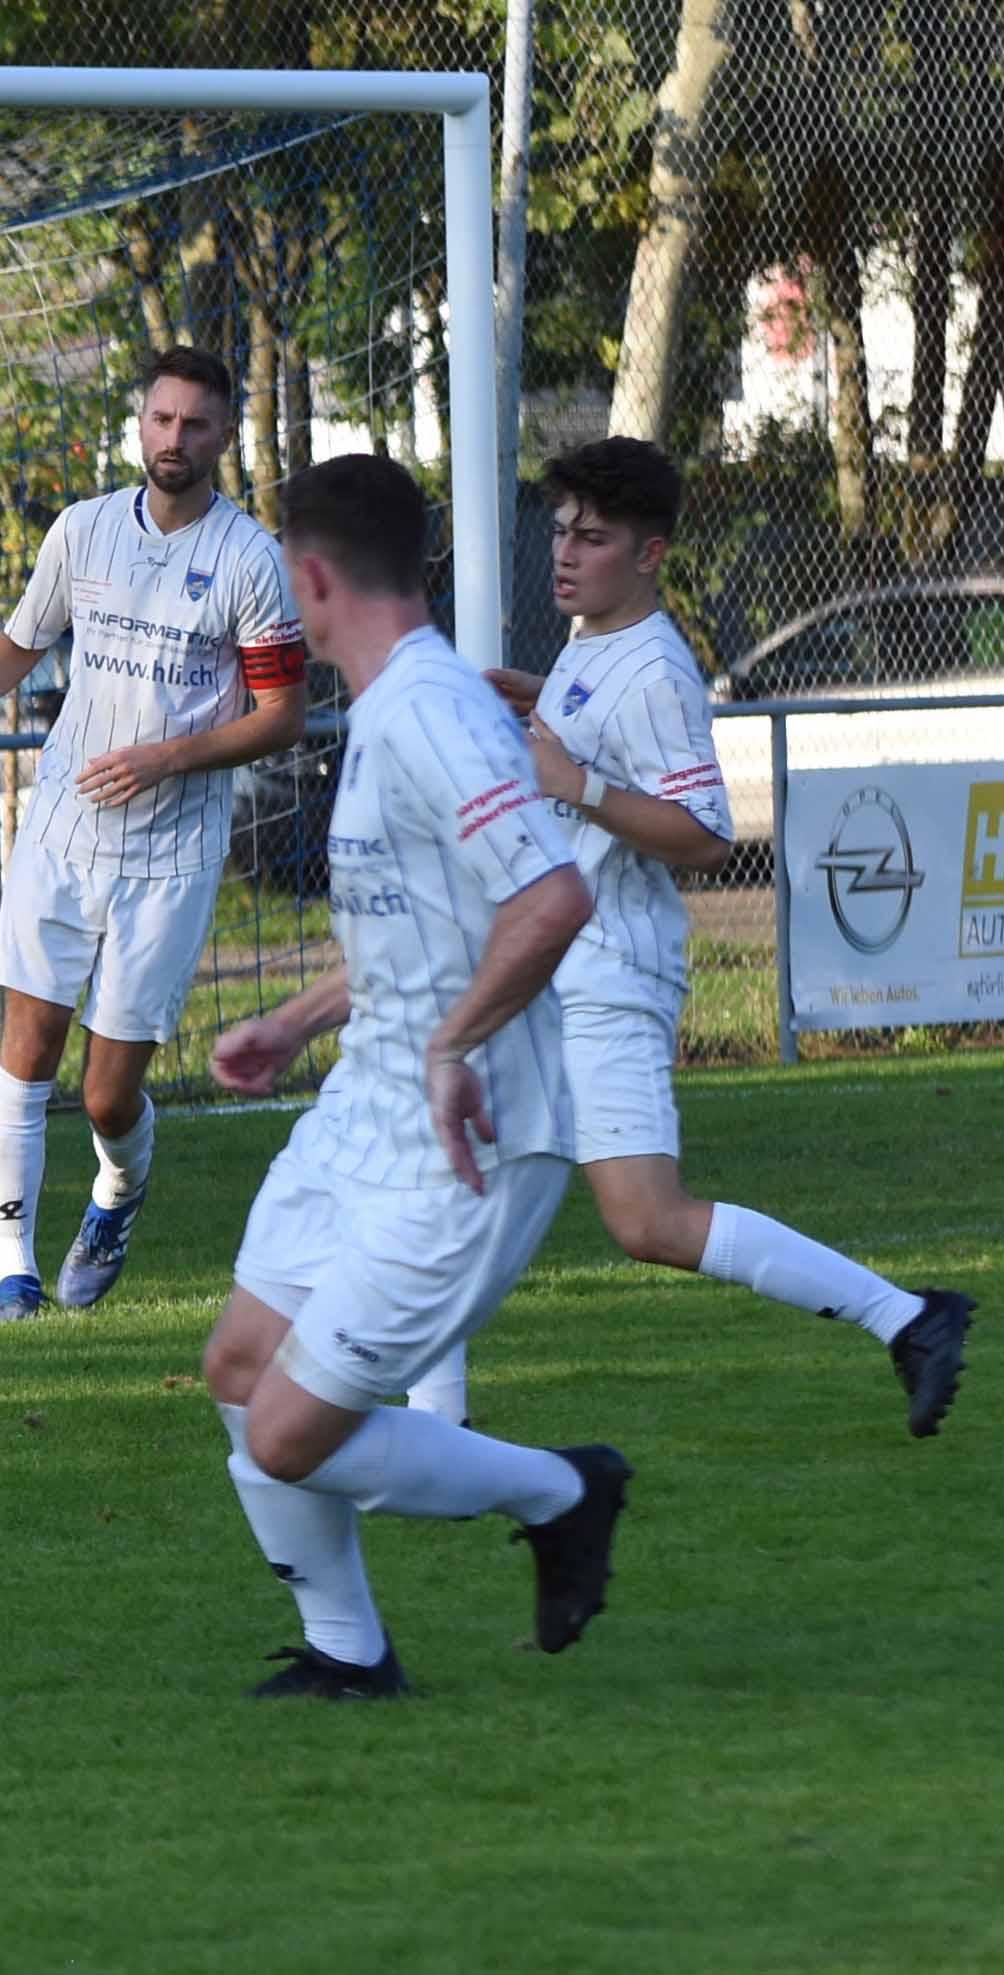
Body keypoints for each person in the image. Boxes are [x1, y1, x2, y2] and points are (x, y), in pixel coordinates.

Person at [401, 438, 972, 1435]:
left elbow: (705, 835)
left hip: (606, 971)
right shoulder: (590, 644)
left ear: (651, 554)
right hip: (551, 965)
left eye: (594, 537)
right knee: (443, 1158)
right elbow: (597, 747)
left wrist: (569, 778)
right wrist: (544, 706)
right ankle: (432, 1436)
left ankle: (909, 1315)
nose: (566, 554)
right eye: (561, 530)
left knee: (645, 1221)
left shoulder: (658, 668)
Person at [196, 454, 631, 1700]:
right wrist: (292, 1021)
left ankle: (562, 1489)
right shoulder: (392, 705)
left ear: (311, 575)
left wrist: (446, 1046)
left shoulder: (433, 709)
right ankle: (350, 1655)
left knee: (285, 1434)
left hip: (471, 1130)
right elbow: (429, 928)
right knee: (238, 1369)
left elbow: (550, 901)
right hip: (368, 1106)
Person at [0, 346, 307, 1323]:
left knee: (108, 1097)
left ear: (218, 436)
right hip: (63, 833)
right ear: (140, 424)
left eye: (194, 425)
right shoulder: (81, 531)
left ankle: (115, 1197)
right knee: (22, 1049)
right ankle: (13, 1278)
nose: (174, 439)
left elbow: (281, 715)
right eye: (160, 420)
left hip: (169, 858)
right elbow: (20, 640)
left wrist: (166, 757)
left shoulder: (250, 559)